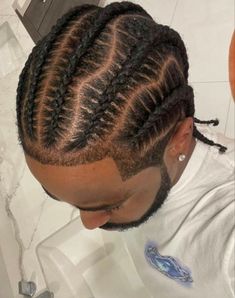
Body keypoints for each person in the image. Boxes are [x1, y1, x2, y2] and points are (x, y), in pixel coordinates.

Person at [15, 1, 234, 297]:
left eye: (110, 206)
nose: (88, 224)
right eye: (55, 195)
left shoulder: (225, 234)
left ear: (180, 139)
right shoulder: (153, 152)